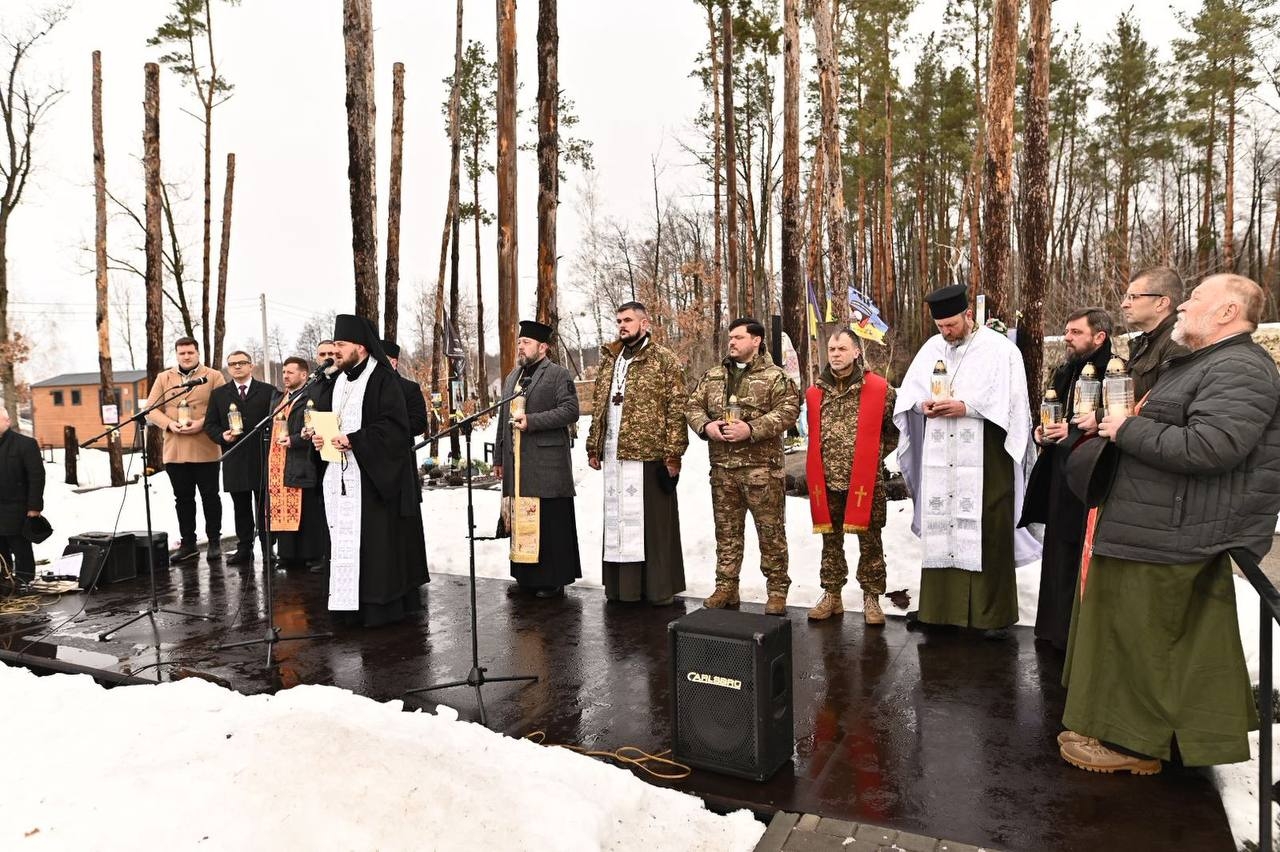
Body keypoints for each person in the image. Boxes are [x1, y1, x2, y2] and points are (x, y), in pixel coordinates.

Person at [1058, 274, 1280, 775]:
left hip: (1174, 529)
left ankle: (1135, 746)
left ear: (1227, 312)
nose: (1182, 306)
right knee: (1131, 632)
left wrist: (1128, 428)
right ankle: (1117, 728)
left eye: (1195, 299)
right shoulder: (1205, 361)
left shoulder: (1241, 367)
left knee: (1148, 639)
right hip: (1155, 523)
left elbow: (1212, 446)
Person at [892, 285, 1040, 635]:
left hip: (987, 454)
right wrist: (922, 405)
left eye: (952, 325)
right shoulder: (932, 348)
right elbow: (910, 395)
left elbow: (1014, 405)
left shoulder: (1000, 350)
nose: (946, 332)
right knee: (942, 522)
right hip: (941, 454)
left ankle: (990, 615)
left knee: (988, 524)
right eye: (941, 326)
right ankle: (939, 610)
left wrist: (967, 407)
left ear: (968, 315)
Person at [310, 315, 428, 627]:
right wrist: (320, 438)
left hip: (373, 480)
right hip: (340, 475)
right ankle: (346, 607)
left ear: (360, 347)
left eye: (340, 345)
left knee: (375, 547)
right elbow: (330, 421)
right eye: (334, 344)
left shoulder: (383, 379)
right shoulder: (337, 382)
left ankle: (376, 609)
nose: (335, 351)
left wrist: (355, 440)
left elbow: (395, 428)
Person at [685, 317, 800, 615]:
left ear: (756, 340)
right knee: (726, 533)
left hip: (761, 471)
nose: (732, 342)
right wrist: (706, 426)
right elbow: (692, 405)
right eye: (730, 338)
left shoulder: (776, 377)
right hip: (723, 470)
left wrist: (751, 429)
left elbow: (789, 411)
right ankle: (726, 587)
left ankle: (777, 591)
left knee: (771, 534)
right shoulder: (713, 376)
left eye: (738, 337)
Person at [1019, 308, 1113, 650]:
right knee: (1058, 551)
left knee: (1078, 552)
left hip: (1091, 477)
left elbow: (1114, 421)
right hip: (1060, 473)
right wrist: (1041, 433)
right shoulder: (1066, 370)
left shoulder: (1114, 372)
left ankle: (1076, 637)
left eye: (1075, 332)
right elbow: (1053, 415)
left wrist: (1070, 433)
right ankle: (1054, 630)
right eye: (1067, 331)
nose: (1067, 338)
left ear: (1099, 337)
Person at [585, 301, 688, 606]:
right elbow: (599, 405)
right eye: (619, 320)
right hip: (614, 453)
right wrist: (594, 445)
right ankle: (622, 589)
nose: (622, 325)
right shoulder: (610, 359)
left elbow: (677, 408)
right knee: (617, 521)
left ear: (644, 324)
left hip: (649, 453)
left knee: (652, 524)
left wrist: (674, 453)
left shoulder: (663, 359)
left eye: (628, 320)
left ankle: (658, 588)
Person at [804, 328, 898, 624]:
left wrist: (872, 457)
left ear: (856, 352)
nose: (835, 354)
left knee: (871, 543)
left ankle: (872, 597)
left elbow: (893, 432)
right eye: (832, 349)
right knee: (830, 543)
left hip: (865, 482)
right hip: (827, 481)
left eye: (842, 349)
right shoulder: (815, 392)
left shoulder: (881, 390)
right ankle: (832, 594)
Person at [494, 319, 582, 598]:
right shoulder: (513, 377)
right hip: (518, 466)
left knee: (549, 524)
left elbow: (570, 411)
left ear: (543, 347)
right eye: (519, 342)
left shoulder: (558, 375)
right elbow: (502, 419)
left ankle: (553, 580)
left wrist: (532, 421)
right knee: (523, 521)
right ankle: (526, 577)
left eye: (527, 342)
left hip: (547, 465)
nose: (521, 346)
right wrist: (498, 458)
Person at [145, 336, 226, 563]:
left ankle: (214, 541)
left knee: (210, 497)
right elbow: (151, 409)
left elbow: (221, 407)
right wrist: (169, 424)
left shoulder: (213, 376)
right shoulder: (164, 378)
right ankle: (188, 543)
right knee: (183, 499)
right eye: (182, 353)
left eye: (190, 352)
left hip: (205, 447)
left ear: (198, 353)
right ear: (177, 355)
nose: (186, 356)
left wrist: (201, 423)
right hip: (176, 449)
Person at [204, 350, 274, 567]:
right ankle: (245, 548)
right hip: (235, 457)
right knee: (240, 507)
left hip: (262, 456)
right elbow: (210, 424)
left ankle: (268, 548)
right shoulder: (219, 394)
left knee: (264, 507)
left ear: (251, 366)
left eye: (241, 363)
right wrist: (221, 436)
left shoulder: (268, 391)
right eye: (232, 363)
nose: (236, 367)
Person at [270, 357, 328, 570]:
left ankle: (311, 554)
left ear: (304, 375)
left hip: (302, 459)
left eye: (290, 372)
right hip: (278, 462)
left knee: (306, 510)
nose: (285, 376)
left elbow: (314, 428)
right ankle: (288, 554)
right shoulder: (280, 398)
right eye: (284, 372)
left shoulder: (310, 398)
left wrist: (294, 440)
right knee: (282, 508)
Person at [1120, 266, 1187, 401]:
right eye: (1126, 297)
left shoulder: (1179, 342)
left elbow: (1165, 405)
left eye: (1133, 297)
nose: (1124, 304)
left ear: (1161, 303)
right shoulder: (1146, 341)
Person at [0, 407, 43, 582]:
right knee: (1, 550)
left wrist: (34, 507)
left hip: (17, 508)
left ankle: (25, 582)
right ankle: (5, 582)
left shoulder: (25, 444)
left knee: (21, 548)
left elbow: (36, 477)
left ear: (7, 421)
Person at [382, 339, 429, 441]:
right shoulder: (366, 386)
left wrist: (385, 431)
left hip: (398, 448)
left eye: (380, 360)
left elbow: (419, 423)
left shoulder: (409, 388)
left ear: (393, 363)